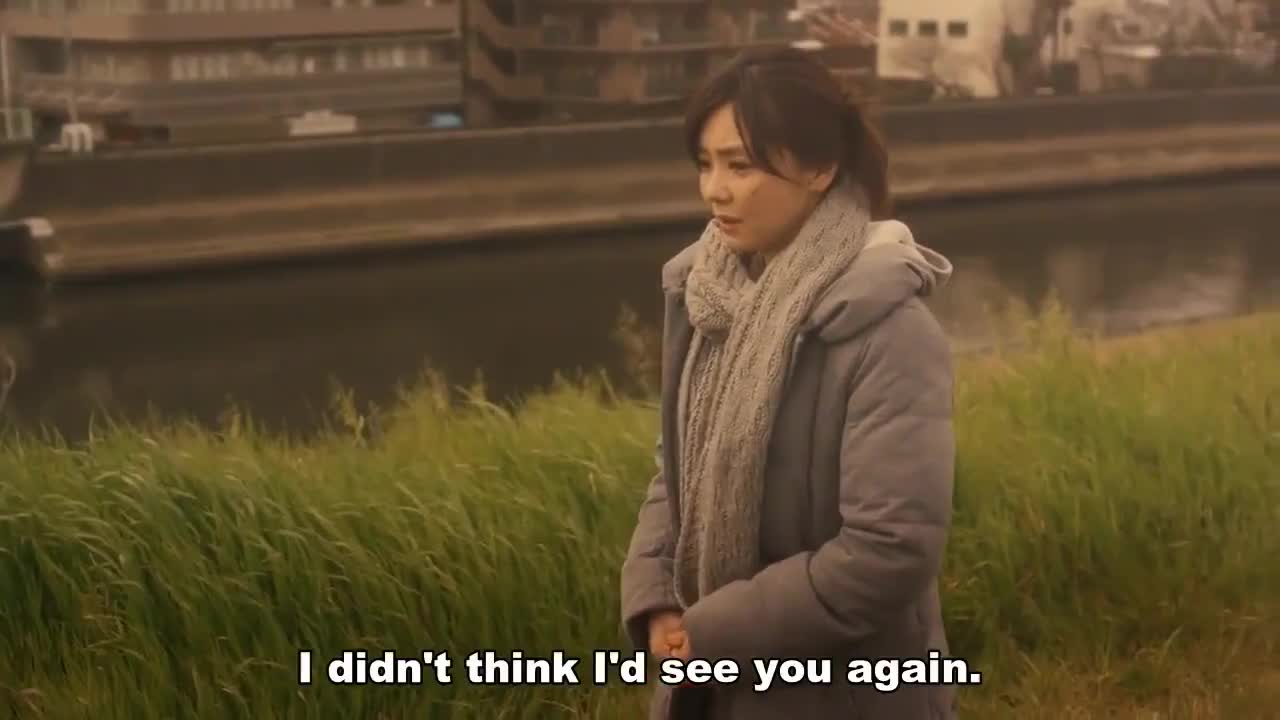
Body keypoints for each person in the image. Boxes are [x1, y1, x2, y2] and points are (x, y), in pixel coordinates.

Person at [619, 46, 958, 720]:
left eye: (741, 166)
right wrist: (656, 597)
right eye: (706, 164)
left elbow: (888, 550)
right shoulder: (706, 298)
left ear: (820, 168)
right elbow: (677, 472)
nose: (715, 190)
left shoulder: (889, 330)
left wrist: (713, 631)